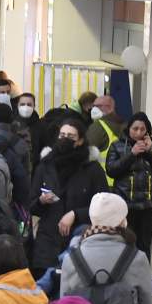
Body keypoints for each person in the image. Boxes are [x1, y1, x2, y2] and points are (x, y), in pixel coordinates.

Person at [31, 117, 106, 274]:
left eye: (70, 137)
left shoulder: (92, 168)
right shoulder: (45, 166)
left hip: (80, 240)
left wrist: (75, 214)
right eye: (62, 135)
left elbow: (102, 205)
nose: (64, 139)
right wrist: (41, 201)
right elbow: (31, 205)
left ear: (80, 141)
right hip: (47, 242)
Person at [103, 112, 152, 257]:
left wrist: (151, 151)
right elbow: (111, 170)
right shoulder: (117, 145)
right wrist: (132, 154)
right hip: (125, 202)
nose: (139, 132)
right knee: (126, 244)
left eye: (142, 129)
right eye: (135, 129)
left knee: (144, 245)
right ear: (129, 129)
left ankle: (143, 277)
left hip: (149, 204)